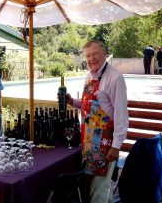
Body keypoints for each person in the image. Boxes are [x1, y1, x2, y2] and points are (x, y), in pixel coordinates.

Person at [65, 40, 129, 203]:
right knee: (98, 187)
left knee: (98, 189)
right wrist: (72, 101)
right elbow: (88, 106)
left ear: (104, 54)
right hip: (89, 140)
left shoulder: (115, 77)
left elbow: (121, 114)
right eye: (88, 56)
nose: (91, 59)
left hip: (105, 144)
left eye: (95, 54)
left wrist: (116, 146)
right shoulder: (89, 75)